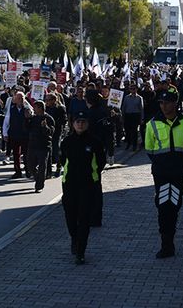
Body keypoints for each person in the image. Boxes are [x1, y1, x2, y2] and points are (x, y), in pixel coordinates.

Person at [145, 86, 183, 259]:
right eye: (161, 103)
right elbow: (149, 149)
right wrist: (162, 163)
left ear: (175, 104)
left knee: (174, 205)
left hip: (179, 173)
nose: (164, 106)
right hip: (161, 173)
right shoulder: (152, 124)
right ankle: (166, 243)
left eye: (167, 103)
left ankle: (169, 239)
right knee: (163, 206)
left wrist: (180, 163)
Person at [59, 110, 106, 265]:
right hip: (70, 184)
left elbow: (101, 162)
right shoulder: (66, 142)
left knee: (84, 218)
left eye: (83, 122)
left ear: (87, 123)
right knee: (70, 216)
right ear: (73, 124)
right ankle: (74, 237)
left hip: (88, 185)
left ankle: (81, 251)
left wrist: (92, 175)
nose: (80, 124)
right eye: (77, 121)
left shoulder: (95, 142)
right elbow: (62, 160)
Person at [3, 91, 32, 179]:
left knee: (27, 154)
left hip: (24, 135)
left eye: (22, 98)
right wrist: (5, 133)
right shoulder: (11, 109)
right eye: (18, 98)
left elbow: (32, 118)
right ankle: (17, 172)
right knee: (16, 154)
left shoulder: (27, 109)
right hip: (14, 134)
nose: (20, 100)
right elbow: (6, 121)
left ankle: (28, 170)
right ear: (15, 100)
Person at [27, 101, 55, 193]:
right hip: (32, 145)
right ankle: (37, 177)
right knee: (30, 166)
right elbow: (26, 129)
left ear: (40, 108)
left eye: (35, 107)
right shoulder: (33, 118)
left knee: (42, 166)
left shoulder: (49, 118)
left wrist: (45, 127)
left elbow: (51, 132)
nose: (33, 109)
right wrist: (27, 119)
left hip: (44, 146)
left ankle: (39, 185)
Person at [45, 93, 67, 178]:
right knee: (48, 149)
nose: (46, 102)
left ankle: (59, 165)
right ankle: (48, 169)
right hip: (47, 131)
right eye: (46, 100)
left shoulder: (60, 108)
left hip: (57, 131)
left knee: (56, 148)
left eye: (48, 100)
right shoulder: (46, 108)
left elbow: (64, 120)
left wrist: (55, 123)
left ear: (54, 100)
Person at [121, 84, 144, 151]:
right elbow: (124, 107)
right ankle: (129, 143)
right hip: (128, 115)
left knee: (134, 131)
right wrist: (122, 116)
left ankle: (134, 145)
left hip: (135, 116)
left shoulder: (139, 98)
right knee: (127, 131)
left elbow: (141, 109)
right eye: (131, 89)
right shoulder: (126, 97)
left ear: (136, 89)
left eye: (134, 89)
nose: (133, 90)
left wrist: (142, 118)